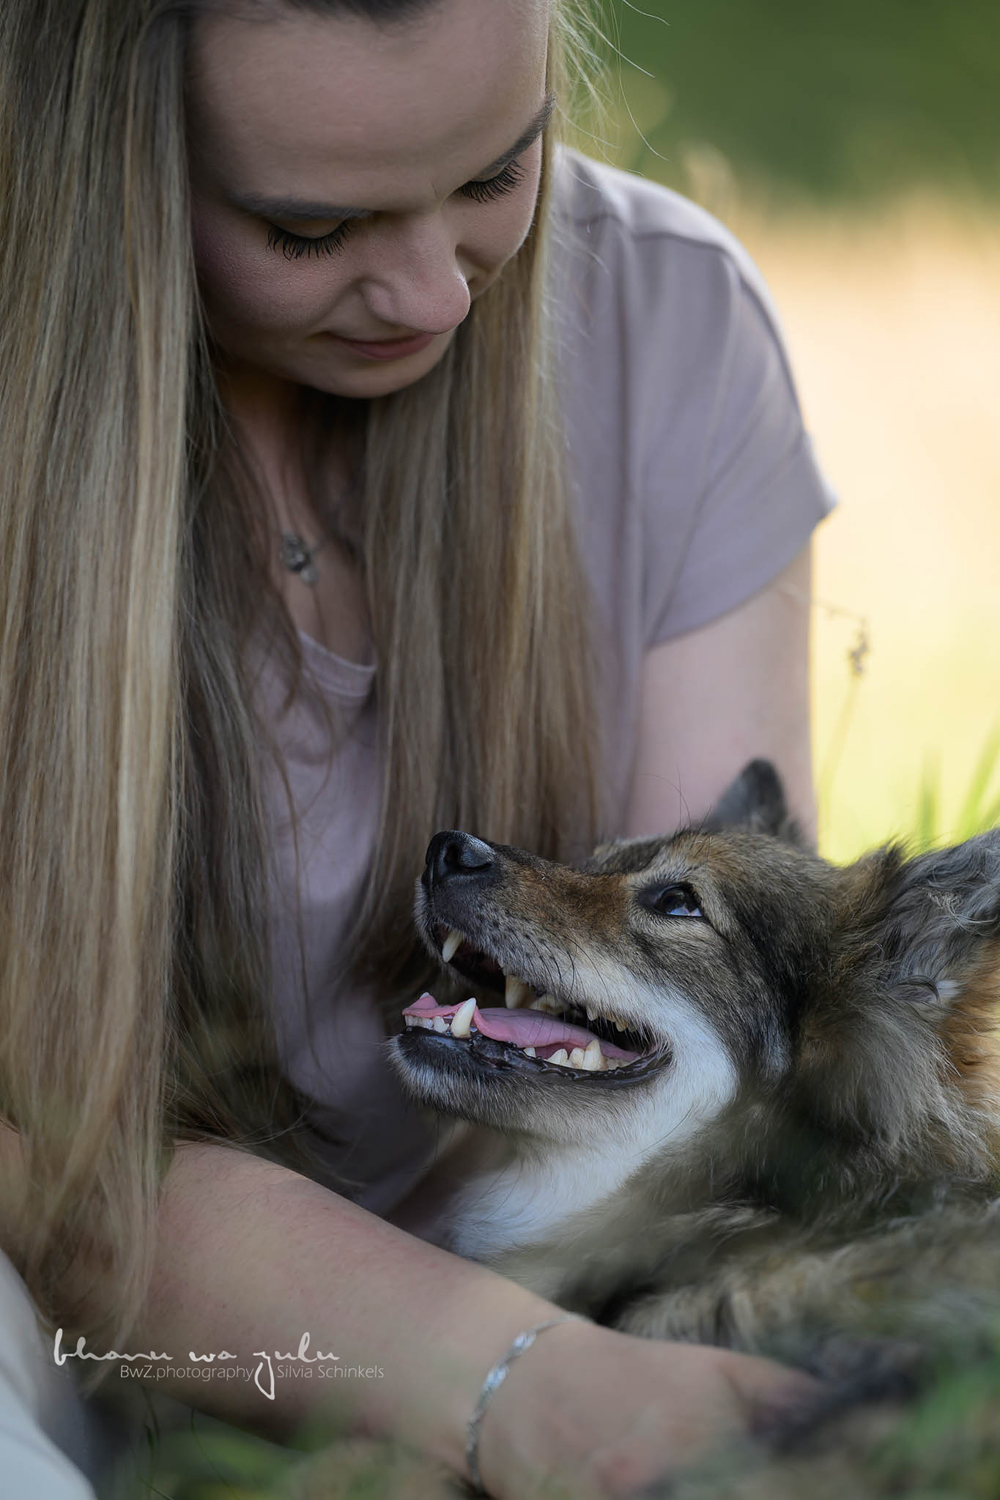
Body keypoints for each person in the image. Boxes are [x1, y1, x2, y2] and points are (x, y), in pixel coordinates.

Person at [0, 0, 834, 1495]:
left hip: (543, 1314)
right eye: (313, 230)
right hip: (59, 1322)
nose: (438, 297)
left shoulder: (670, 322)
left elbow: (704, 1068)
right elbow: (43, 1159)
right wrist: (513, 1384)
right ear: (104, 158)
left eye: (496, 175)